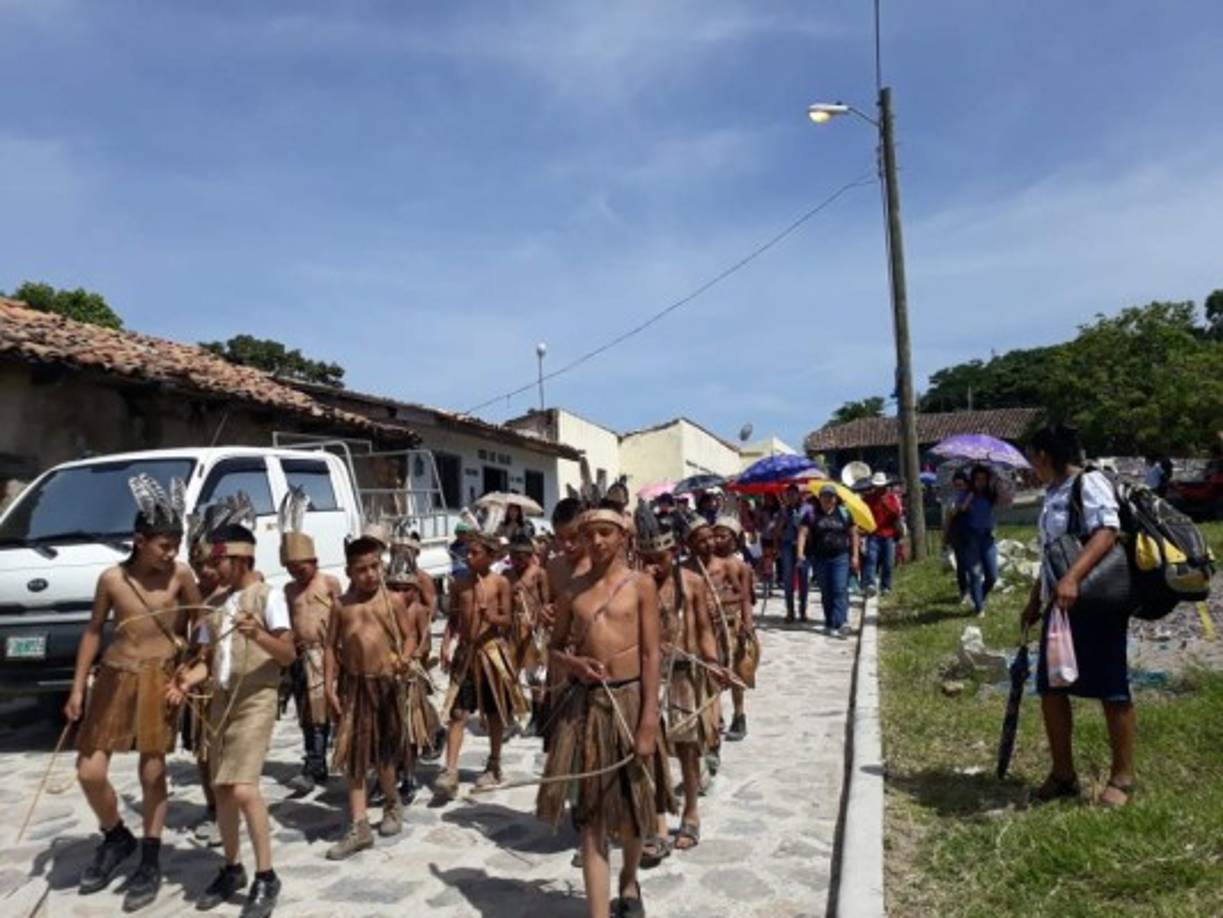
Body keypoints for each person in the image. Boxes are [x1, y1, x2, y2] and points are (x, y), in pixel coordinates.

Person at [66, 475, 201, 911]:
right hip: (114, 675)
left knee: (152, 771)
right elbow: (93, 631)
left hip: (159, 677)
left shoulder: (181, 575)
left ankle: (150, 856)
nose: (171, 553)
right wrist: (77, 688)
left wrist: (187, 666)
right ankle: (115, 835)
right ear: (139, 541)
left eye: (175, 545)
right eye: (164, 545)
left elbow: (200, 623)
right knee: (89, 770)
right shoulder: (112, 579)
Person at [537, 502, 662, 918]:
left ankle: (628, 880)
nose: (596, 541)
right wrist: (575, 664)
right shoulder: (572, 591)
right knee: (591, 818)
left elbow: (651, 654)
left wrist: (648, 722)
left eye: (605, 532)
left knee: (632, 810)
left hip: (630, 702)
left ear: (623, 536)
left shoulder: (641, 585)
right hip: (586, 708)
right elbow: (554, 648)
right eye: (589, 534)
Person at [180, 521, 296, 916]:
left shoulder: (268, 596)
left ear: (241, 559)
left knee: (244, 788)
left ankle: (267, 875)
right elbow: (208, 662)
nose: (211, 569)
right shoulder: (215, 605)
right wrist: (185, 680)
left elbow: (287, 654)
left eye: (218, 561)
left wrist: (258, 634)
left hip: (255, 700)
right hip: (221, 702)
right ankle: (232, 867)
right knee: (223, 790)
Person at [1022, 424, 1135, 807]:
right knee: (1051, 688)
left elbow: (1106, 532)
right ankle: (1063, 774)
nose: (1032, 466)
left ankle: (1122, 778)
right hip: (1061, 605)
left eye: (1032, 458)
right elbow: (1054, 551)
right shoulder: (1052, 493)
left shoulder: (1089, 483)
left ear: (1043, 455)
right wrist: (1035, 599)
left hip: (1097, 600)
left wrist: (1072, 578)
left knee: (1111, 687)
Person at [324, 535, 417, 859]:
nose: (370, 574)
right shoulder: (341, 606)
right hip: (354, 687)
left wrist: (405, 658)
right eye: (361, 569)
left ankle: (392, 803)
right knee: (355, 756)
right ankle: (360, 825)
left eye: (375, 566)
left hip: (385, 685)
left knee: (384, 755)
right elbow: (330, 647)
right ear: (349, 572)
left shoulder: (392, 601)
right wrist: (328, 685)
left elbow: (409, 636)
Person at [637, 508, 722, 856]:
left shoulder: (692, 583)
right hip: (647, 676)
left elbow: (704, 629)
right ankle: (657, 820)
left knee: (688, 747)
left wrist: (712, 663)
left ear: (673, 552)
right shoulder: (635, 585)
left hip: (685, 672)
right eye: (646, 559)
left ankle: (690, 812)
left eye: (659, 558)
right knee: (651, 747)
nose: (653, 566)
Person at [434, 529, 526, 798]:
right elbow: (454, 619)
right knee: (457, 713)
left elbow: (507, 620)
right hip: (466, 655)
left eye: (475, 553)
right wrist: (446, 644)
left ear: (490, 556)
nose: (469, 557)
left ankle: (494, 764)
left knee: (494, 712)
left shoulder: (500, 583)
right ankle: (450, 770)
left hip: (491, 653)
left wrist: (491, 617)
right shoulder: (459, 584)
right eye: (467, 552)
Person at [280, 491, 343, 796]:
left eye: (301, 568)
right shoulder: (289, 589)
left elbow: (342, 615)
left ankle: (318, 761)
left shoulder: (329, 583)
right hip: (300, 655)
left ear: (314, 561)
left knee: (323, 710)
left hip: (325, 653)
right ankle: (315, 762)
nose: (296, 574)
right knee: (306, 712)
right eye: (291, 569)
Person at [385, 553, 441, 801]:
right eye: (394, 588)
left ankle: (409, 774)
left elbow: (424, 642)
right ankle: (389, 774)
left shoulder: (418, 610)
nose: (400, 593)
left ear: (415, 589)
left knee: (409, 727)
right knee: (389, 728)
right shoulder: (384, 610)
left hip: (410, 675)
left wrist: (413, 655)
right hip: (387, 673)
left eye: (405, 589)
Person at [710, 514, 756, 741]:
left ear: (735, 540)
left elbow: (746, 598)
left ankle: (739, 715)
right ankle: (714, 715)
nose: (718, 540)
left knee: (738, 672)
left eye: (723, 536)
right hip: (710, 626)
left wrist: (748, 624)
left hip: (733, 625)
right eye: (715, 536)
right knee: (712, 671)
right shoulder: (706, 565)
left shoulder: (740, 567)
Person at [797, 483, 860, 636]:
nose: (828, 499)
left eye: (831, 496)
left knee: (839, 589)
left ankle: (842, 622)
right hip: (820, 558)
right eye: (825, 496)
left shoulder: (844, 513)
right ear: (819, 498)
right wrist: (800, 553)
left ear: (835, 498)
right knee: (826, 591)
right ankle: (829, 622)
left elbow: (853, 534)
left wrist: (855, 555)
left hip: (840, 557)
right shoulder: (812, 514)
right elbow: (803, 533)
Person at [505, 532, 551, 734]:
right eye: (513, 557)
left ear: (530, 555)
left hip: (533, 629)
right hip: (512, 628)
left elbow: (546, 602)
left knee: (535, 677)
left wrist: (540, 623)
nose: (516, 562)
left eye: (520, 558)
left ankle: (537, 718)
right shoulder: (506, 574)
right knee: (508, 674)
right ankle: (508, 717)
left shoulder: (539, 573)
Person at [960, 465, 1006, 616]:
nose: (980, 482)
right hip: (971, 536)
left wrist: (998, 482)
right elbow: (960, 509)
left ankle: (979, 595)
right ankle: (979, 607)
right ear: (973, 480)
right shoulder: (967, 494)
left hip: (988, 537)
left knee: (992, 576)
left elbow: (1005, 501)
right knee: (974, 573)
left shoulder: (990, 495)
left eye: (983, 479)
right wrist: (970, 497)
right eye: (977, 479)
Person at [862, 472, 903, 596]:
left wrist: (886, 503)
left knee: (888, 563)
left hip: (889, 535)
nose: (879, 488)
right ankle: (870, 584)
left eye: (881, 486)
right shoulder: (868, 498)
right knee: (871, 560)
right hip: (873, 534)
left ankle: (886, 586)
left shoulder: (891, 498)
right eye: (877, 486)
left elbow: (897, 513)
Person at [777, 484, 810, 622]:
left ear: (798, 494)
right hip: (787, 545)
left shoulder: (807, 509)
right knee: (788, 579)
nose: (790, 497)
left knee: (803, 579)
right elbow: (778, 531)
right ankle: (790, 611)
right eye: (788, 495)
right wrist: (782, 523)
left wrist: (800, 524)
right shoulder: (783, 510)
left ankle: (803, 610)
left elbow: (811, 527)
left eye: (793, 494)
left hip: (804, 547)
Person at [942, 470, 972, 604]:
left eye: (961, 485)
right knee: (961, 565)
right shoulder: (952, 500)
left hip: (972, 535)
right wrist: (945, 538)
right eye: (956, 486)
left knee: (972, 564)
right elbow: (948, 520)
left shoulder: (972, 497)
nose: (959, 488)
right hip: (958, 536)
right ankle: (964, 591)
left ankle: (974, 589)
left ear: (967, 484)